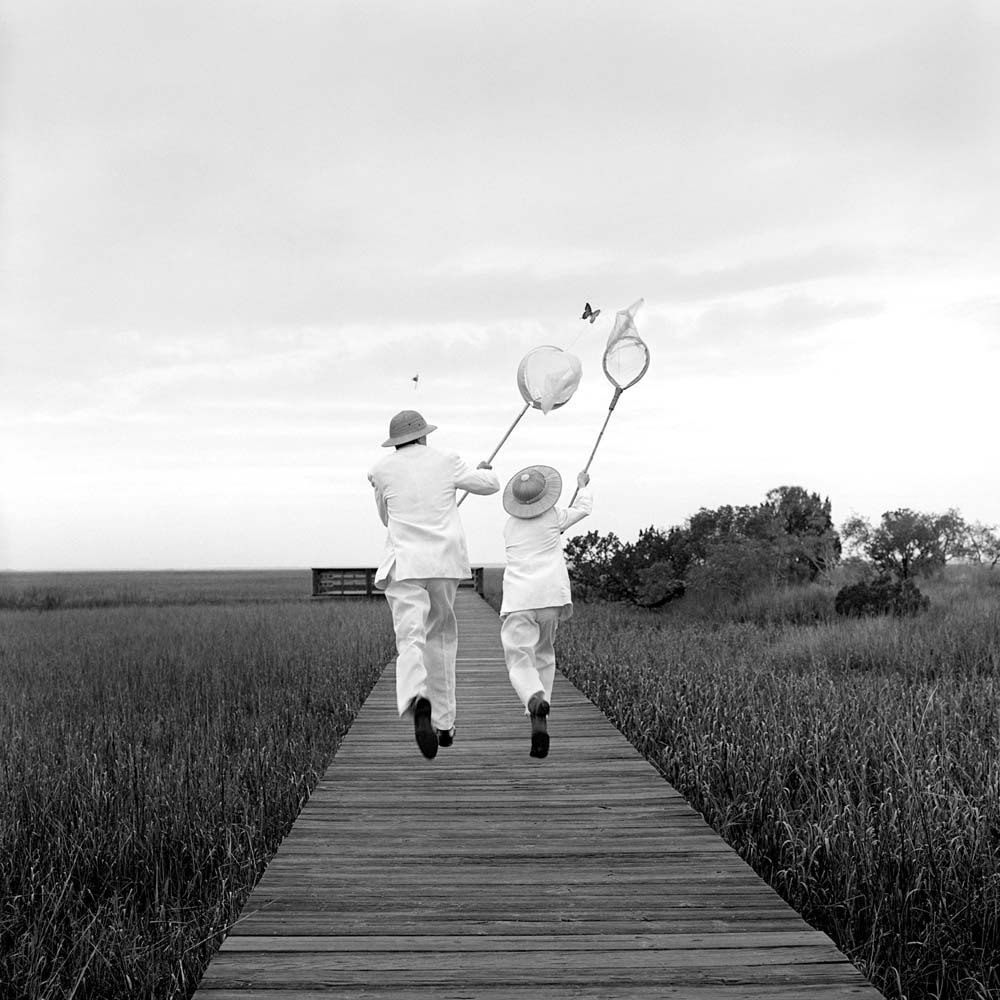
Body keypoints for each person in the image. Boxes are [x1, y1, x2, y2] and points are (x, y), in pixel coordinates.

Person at [368, 410, 499, 759]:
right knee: (441, 637)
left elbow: (386, 518)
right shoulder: (447, 460)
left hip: (405, 562)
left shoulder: (380, 470)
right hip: (443, 562)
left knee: (410, 637)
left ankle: (415, 698)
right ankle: (444, 724)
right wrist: (484, 470)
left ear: (396, 441)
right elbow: (490, 486)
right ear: (424, 435)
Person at [499, 465, 592, 758]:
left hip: (519, 599)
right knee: (544, 654)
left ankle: (532, 698)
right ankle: (541, 711)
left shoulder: (509, 526)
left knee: (518, 658)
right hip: (551, 596)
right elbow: (583, 508)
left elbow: (539, 532)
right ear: (544, 497)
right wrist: (583, 485)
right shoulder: (555, 516)